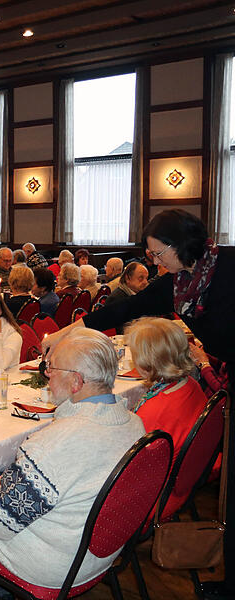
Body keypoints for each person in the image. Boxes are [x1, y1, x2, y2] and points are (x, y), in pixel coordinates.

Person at [43, 209, 235, 599]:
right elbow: (121, 310)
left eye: (157, 253)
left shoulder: (228, 268)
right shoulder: (179, 282)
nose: (155, 262)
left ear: (180, 245)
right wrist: (63, 333)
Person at [0, 328, 145, 599]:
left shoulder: (57, 441)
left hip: (54, 564)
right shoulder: (134, 423)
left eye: (52, 368)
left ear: (76, 382)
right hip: (99, 552)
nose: (46, 375)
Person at [124, 317, 208, 468]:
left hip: (162, 480)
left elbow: (132, 462)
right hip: (195, 466)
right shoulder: (191, 384)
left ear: (144, 363)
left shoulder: (153, 411)